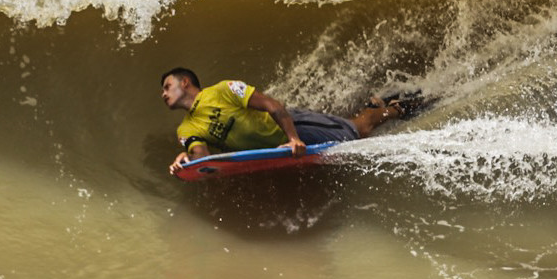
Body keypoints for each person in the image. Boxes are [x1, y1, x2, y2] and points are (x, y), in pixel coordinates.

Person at [160, 68, 415, 175]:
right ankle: (372, 108)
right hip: (275, 147)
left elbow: (273, 106)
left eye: (167, 86)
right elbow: (203, 156)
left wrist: (294, 138)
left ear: (185, 82)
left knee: (358, 132)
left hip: (292, 126)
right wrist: (188, 160)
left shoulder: (222, 90)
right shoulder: (186, 128)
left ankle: (393, 109)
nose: (163, 94)